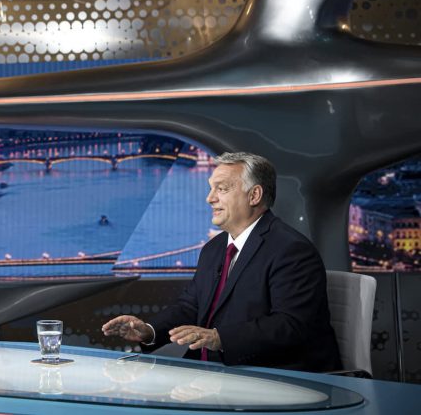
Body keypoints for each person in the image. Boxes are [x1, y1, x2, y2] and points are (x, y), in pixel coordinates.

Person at [101, 152, 341, 372]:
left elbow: (291, 325)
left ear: (254, 195)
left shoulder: (291, 250)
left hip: (272, 376)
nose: (209, 199)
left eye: (222, 189)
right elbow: (191, 307)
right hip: (210, 375)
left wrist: (219, 338)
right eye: (210, 189)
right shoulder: (214, 249)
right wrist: (149, 331)